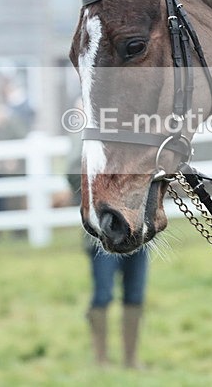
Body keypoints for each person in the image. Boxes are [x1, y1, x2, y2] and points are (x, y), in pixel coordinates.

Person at [66, 111, 149, 369]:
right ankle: (101, 358)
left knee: (135, 294)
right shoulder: (88, 135)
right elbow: (72, 172)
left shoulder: (135, 134)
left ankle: (130, 359)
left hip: (135, 225)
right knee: (103, 294)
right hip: (103, 230)